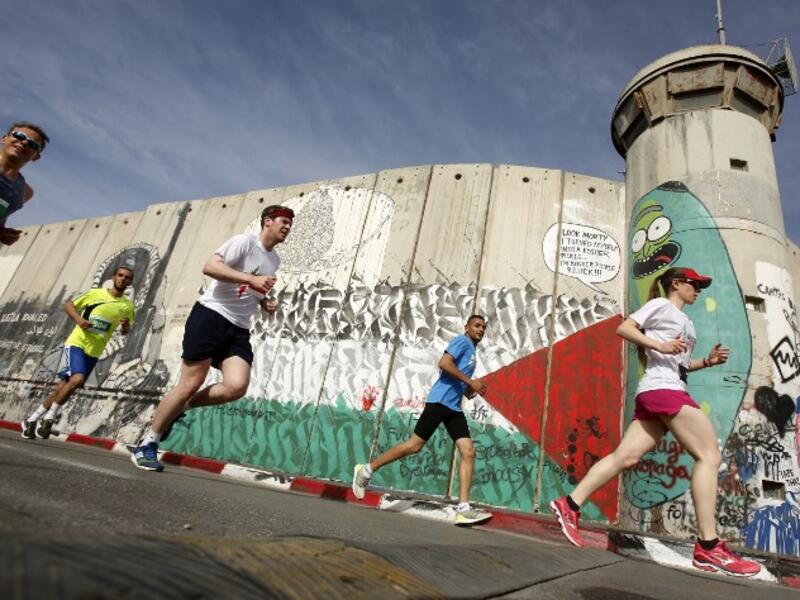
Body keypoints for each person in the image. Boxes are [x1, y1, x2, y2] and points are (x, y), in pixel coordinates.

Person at [550, 267, 760, 577]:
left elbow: (680, 363)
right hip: (664, 390)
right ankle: (709, 546)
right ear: (677, 284)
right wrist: (658, 345)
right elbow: (625, 328)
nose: (698, 290)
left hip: (662, 388)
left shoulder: (686, 322)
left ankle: (570, 504)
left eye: (701, 285)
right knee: (709, 455)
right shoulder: (661, 306)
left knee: (627, 456)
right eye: (694, 284)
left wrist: (706, 362)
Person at [130, 205, 294, 471]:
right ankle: (148, 444)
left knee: (236, 386)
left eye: (289, 224)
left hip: (238, 328)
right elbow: (210, 266)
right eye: (283, 222)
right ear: (267, 221)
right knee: (189, 383)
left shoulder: (274, 260)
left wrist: (265, 302)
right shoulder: (244, 242)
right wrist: (252, 281)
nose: (287, 227)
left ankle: (181, 409)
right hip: (211, 315)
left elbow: (250, 288)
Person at [352, 315, 493, 526]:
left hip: (453, 407)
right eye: (477, 326)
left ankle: (463, 509)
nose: (481, 329)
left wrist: (468, 391)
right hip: (439, 402)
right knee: (414, 445)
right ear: (467, 327)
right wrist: (469, 381)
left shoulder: (472, 350)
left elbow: (454, 377)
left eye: (484, 327)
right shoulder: (461, 341)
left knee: (468, 451)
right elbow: (444, 363)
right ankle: (365, 470)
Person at [22, 266, 135, 440]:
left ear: (130, 282)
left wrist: (125, 325)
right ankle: (50, 417)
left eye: (127, 277)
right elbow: (69, 305)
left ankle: (31, 419)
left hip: (95, 351)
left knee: (63, 388)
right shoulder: (95, 294)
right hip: (77, 343)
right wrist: (79, 320)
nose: (123, 279)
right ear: (114, 277)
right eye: (120, 275)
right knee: (77, 379)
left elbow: (126, 330)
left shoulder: (127, 306)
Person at [1, 122, 49, 245]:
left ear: (36, 157)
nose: (24, 142)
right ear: (4, 138)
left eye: (32, 144)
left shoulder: (26, 192)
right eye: (19, 136)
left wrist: (3, 233)